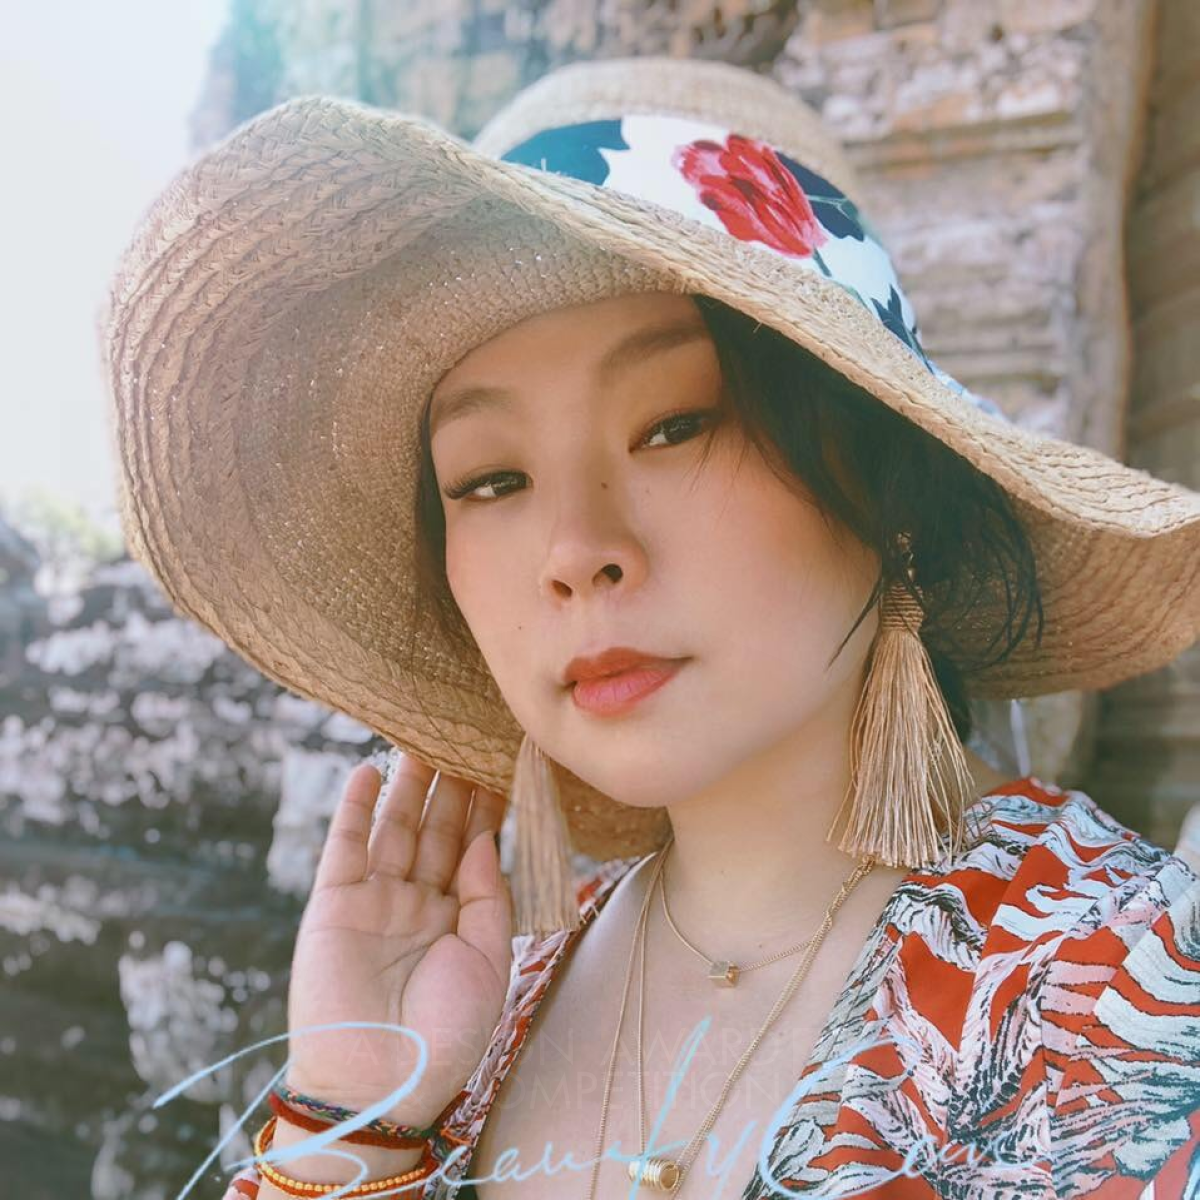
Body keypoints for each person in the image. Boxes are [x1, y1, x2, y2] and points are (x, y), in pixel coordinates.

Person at [96, 55, 1200, 1200]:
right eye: (490, 480)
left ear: (885, 487)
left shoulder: (1123, 991)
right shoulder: (479, 1006)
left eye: (674, 425)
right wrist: (353, 1121)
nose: (574, 551)